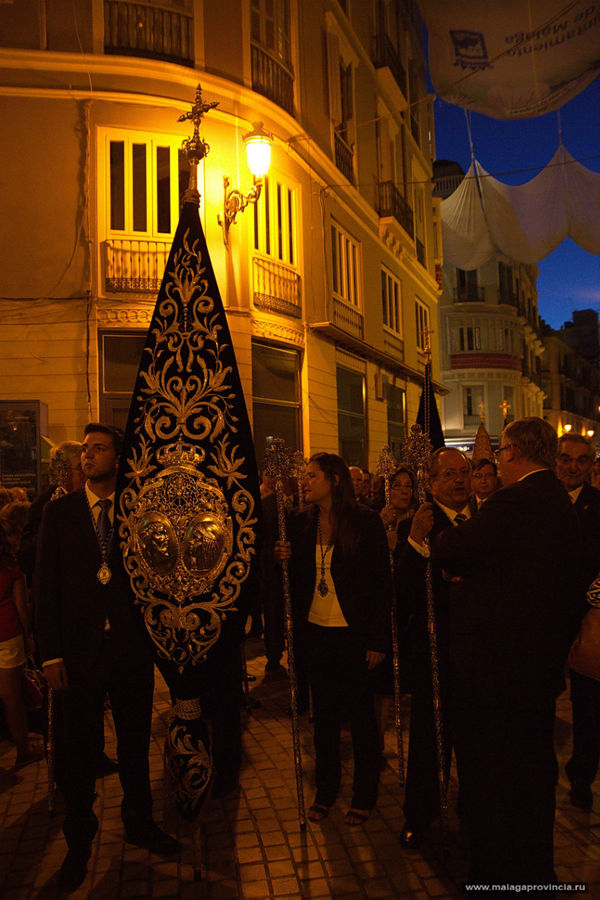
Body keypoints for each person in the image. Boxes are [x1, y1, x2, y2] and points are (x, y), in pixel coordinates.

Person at [435, 417, 583, 885]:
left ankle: (498, 876)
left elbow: (453, 550)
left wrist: (444, 547)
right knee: (535, 776)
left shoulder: (514, 501)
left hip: (497, 673)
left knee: (494, 780)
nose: (497, 462)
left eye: (501, 453)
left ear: (515, 453)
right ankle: (537, 873)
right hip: (539, 668)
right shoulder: (559, 501)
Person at [34, 422, 179, 891]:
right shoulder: (61, 514)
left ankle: (139, 821)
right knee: (79, 751)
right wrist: (51, 653)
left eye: (99, 449)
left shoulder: (140, 513)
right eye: (87, 450)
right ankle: (79, 842)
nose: (88, 457)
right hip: (77, 654)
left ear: (119, 457)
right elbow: (46, 589)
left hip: (131, 650)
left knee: (135, 744)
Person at [275, 453, 392, 825]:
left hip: (354, 635)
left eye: (312, 476)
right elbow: (293, 583)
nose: (304, 481)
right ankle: (326, 790)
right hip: (316, 633)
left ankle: (364, 792)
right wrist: (282, 559)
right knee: (323, 719)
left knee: (361, 719)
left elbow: (380, 584)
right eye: (304, 476)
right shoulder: (298, 522)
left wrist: (378, 639)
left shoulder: (364, 521)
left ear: (334, 480)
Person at [394, 447, 471, 848]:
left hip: (476, 653)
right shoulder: (421, 521)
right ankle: (419, 815)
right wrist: (416, 542)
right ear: (433, 482)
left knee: (474, 739)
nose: (460, 480)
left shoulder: (484, 519)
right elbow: (404, 592)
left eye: (465, 472)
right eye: (450, 474)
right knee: (429, 739)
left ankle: (472, 812)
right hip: (434, 651)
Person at [556, 433, 600, 810]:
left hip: (588, 619)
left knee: (588, 707)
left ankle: (582, 776)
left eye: (581, 460)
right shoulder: (540, 502)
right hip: (544, 619)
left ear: (590, 465)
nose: (572, 467)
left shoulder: (598, 506)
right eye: (566, 459)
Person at [373, 465, 417, 758]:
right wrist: (380, 535)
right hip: (382, 610)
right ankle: (375, 743)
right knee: (382, 683)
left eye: (408, 486)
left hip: (410, 612)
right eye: (397, 485)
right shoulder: (373, 520)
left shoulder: (419, 521)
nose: (403, 490)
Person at [0, 502, 43, 769]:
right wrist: (28, 636)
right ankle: (23, 749)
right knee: (12, 696)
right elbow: (21, 607)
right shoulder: (9, 566)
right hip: (7, 634)